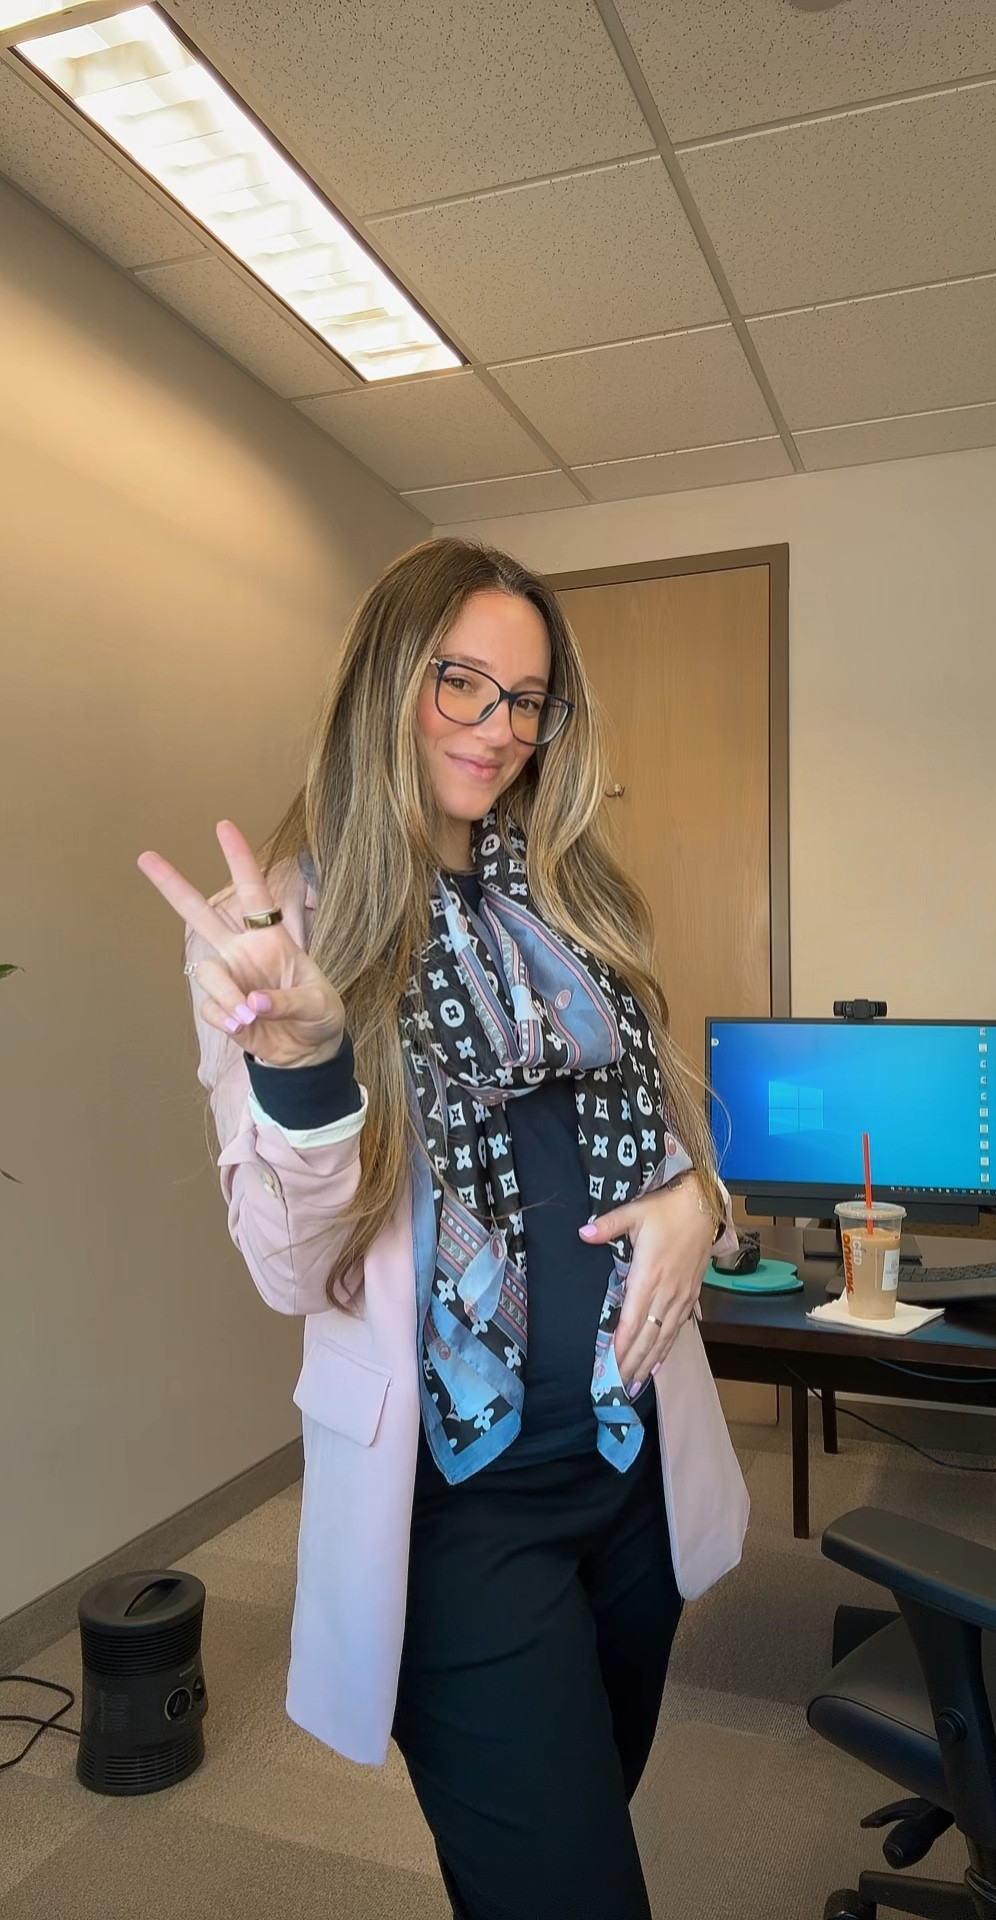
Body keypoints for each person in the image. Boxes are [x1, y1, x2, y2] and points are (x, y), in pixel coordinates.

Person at [137, 537, 749, 1920]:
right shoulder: (275, 933)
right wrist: (303, 1059)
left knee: (568, 1824)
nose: (496, 729)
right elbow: (290, 1266)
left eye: (527, 700)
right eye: (460, 683)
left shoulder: (575, 904)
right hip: (461, 1512)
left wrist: (697, 1201)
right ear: (388, 684)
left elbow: (681, 1171)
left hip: (628, 1462)